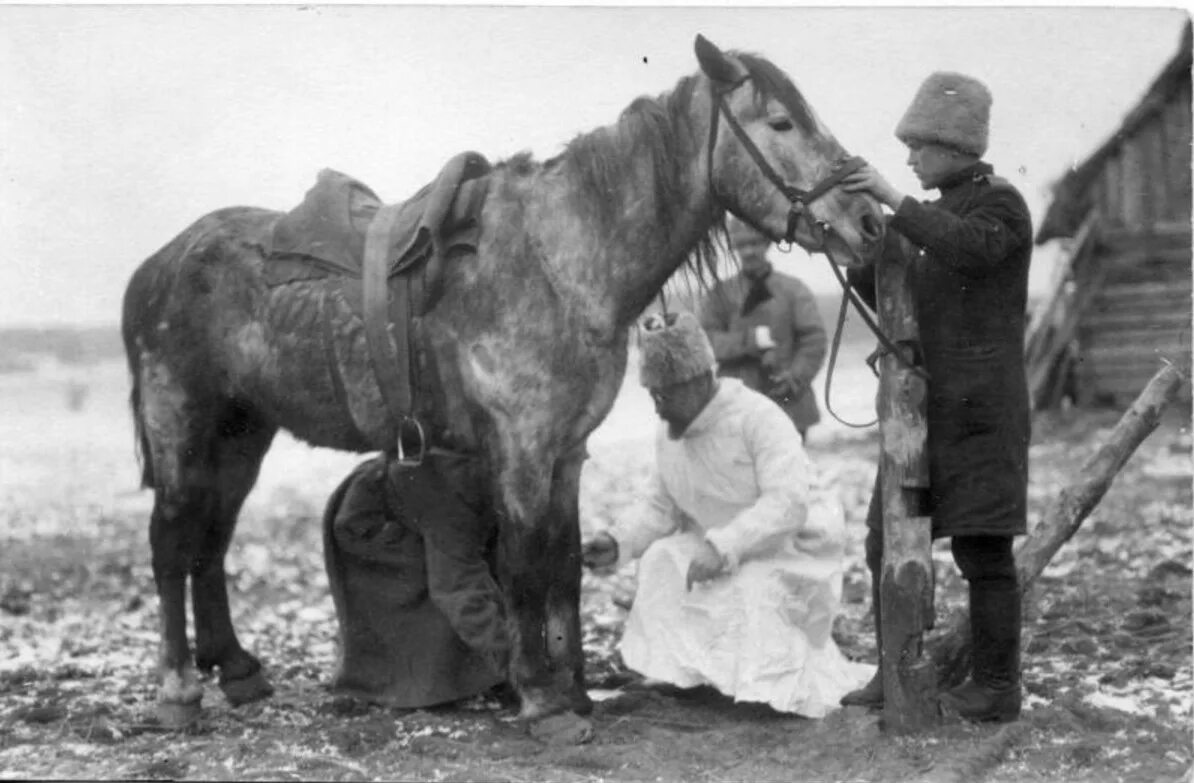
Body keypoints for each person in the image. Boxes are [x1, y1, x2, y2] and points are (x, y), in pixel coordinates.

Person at [836, 71, 1033, 722]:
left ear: (954, 146)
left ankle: (998, 687)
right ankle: (894, 668)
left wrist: (894, 200)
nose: (911, 158)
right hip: (920, 422)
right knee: (888, 538)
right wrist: (859, 239)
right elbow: (892, 296)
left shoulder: (999, 207)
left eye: (920, 146)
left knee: (982, 547)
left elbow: (970, 252)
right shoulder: (927, 219)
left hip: (978, 418)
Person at [581, 311, 872, 718]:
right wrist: (617, 542)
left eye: (665, 397)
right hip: (718, 543)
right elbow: (659, 508)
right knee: (662, 561)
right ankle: (692, 677)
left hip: (789, 550)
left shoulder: (758, 418)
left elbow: (787, 504)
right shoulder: (669, 437)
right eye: (653, 397)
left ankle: (756, 690)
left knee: (750, 588)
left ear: (699, 380)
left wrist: (724, 548)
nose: (660, 410)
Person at [322, 451, 512, 709]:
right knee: (426, 598)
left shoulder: (482, 479)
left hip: (410, 498)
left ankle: (479, 674)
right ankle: (396, 687)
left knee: (466, 569)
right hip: (367, 525)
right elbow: (458, 591)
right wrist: (520, 668)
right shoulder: (454, 504)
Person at [699, 217, 828, 441]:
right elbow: (705, 342)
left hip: (788, 402)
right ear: (734, 248)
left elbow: (814, 339)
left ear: (767, 244)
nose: (749, 251)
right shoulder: (720, 294)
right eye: (741, 245)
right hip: (737, 405)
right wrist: (748, 341)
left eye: (755, 243)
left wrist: (795, 378)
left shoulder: (793, 290)